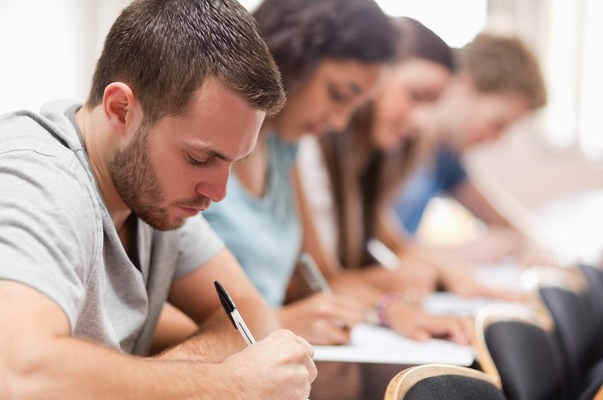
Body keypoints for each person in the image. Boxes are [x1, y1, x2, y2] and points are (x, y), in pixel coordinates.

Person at [0, 0, 317, 398]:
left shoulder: (155, 193)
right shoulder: (31, 180)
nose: (218, 193)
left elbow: (250, 314)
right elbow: (5, 377)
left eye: (234, 162)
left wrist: (165, 379)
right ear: (120, 110)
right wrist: (229, 384)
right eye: (200, 158)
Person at [201, 0, 396, 346]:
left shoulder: (282, 146)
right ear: (291, 59)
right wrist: (278, 322)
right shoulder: (200, 144)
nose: (339, 122)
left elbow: (320, 275)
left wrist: (386, 310)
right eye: (338, 95)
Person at [295, 16, 476, 343]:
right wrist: (388, 300)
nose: (421, 120)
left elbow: (394, 242)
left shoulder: (366, 161)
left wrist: (457, 276)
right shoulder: (308, 148)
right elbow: (317, 279)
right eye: (416, 95)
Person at [393, 31, 548, 264]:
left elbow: (499, 219)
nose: (497, 139)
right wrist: (458, 254)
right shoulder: (392, 140)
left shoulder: (444, 159)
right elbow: (373, 251)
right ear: (463, 87)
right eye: (497, 123)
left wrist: (531, 245)